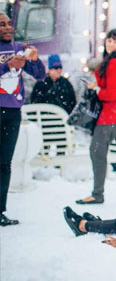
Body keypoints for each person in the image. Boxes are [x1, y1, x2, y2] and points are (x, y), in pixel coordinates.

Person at [76, 29, 116, 210]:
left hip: (112, 117)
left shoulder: (112, 64)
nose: (111, 45)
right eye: (109, 41)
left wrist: (96, 89)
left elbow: (112, 94)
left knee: (97, 153)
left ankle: (97, 194)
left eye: (115, 42)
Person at [0, 12, 45, 226]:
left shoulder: (18, 48)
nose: (8, 27)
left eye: (9, 23)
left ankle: (0, 211)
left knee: (4, 164)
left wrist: (34, 60)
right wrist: (7, 66)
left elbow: (39, 75)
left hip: (12, 113)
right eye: (2, 24)